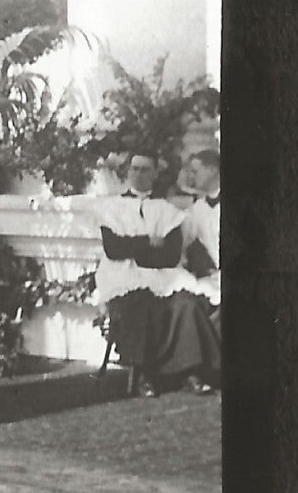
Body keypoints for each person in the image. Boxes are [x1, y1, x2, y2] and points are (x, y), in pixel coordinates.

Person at [93, 152, 221, 398]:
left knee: (186, 303)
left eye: (145, 170)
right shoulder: (111, 208)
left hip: (163, 276)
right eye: (135, 169)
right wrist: (148, 242)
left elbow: (171, 255)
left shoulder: (166, 210)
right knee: (141, 303)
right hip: (123, 276)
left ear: (155, 174)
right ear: (128, 172)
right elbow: (114, 249)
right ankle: (145, 374)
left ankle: (189, 371)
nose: (139, 175)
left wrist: (137, 251)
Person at [182, 148, 221, 310]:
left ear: (212, 171)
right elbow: (183, 244)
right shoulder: (196, 210)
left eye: (195, 171)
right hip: (212, 280)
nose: (191, 176)